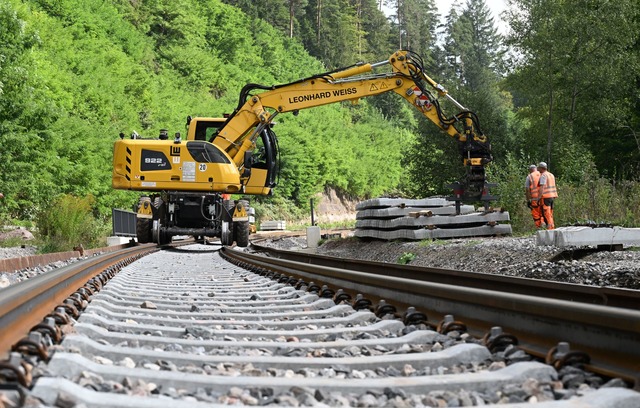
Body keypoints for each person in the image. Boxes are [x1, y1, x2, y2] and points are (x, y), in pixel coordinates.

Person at [536, 162, 558, 230]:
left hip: (546, 197)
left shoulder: (543, 175)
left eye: (539, 167)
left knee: (546, 213)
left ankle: (550, 229)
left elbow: (542, 187)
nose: (537, 169)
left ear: (542, 168)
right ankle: (552, 227)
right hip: (552, 196)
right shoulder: (551, 175)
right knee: (550, 213)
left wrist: (538, 197)